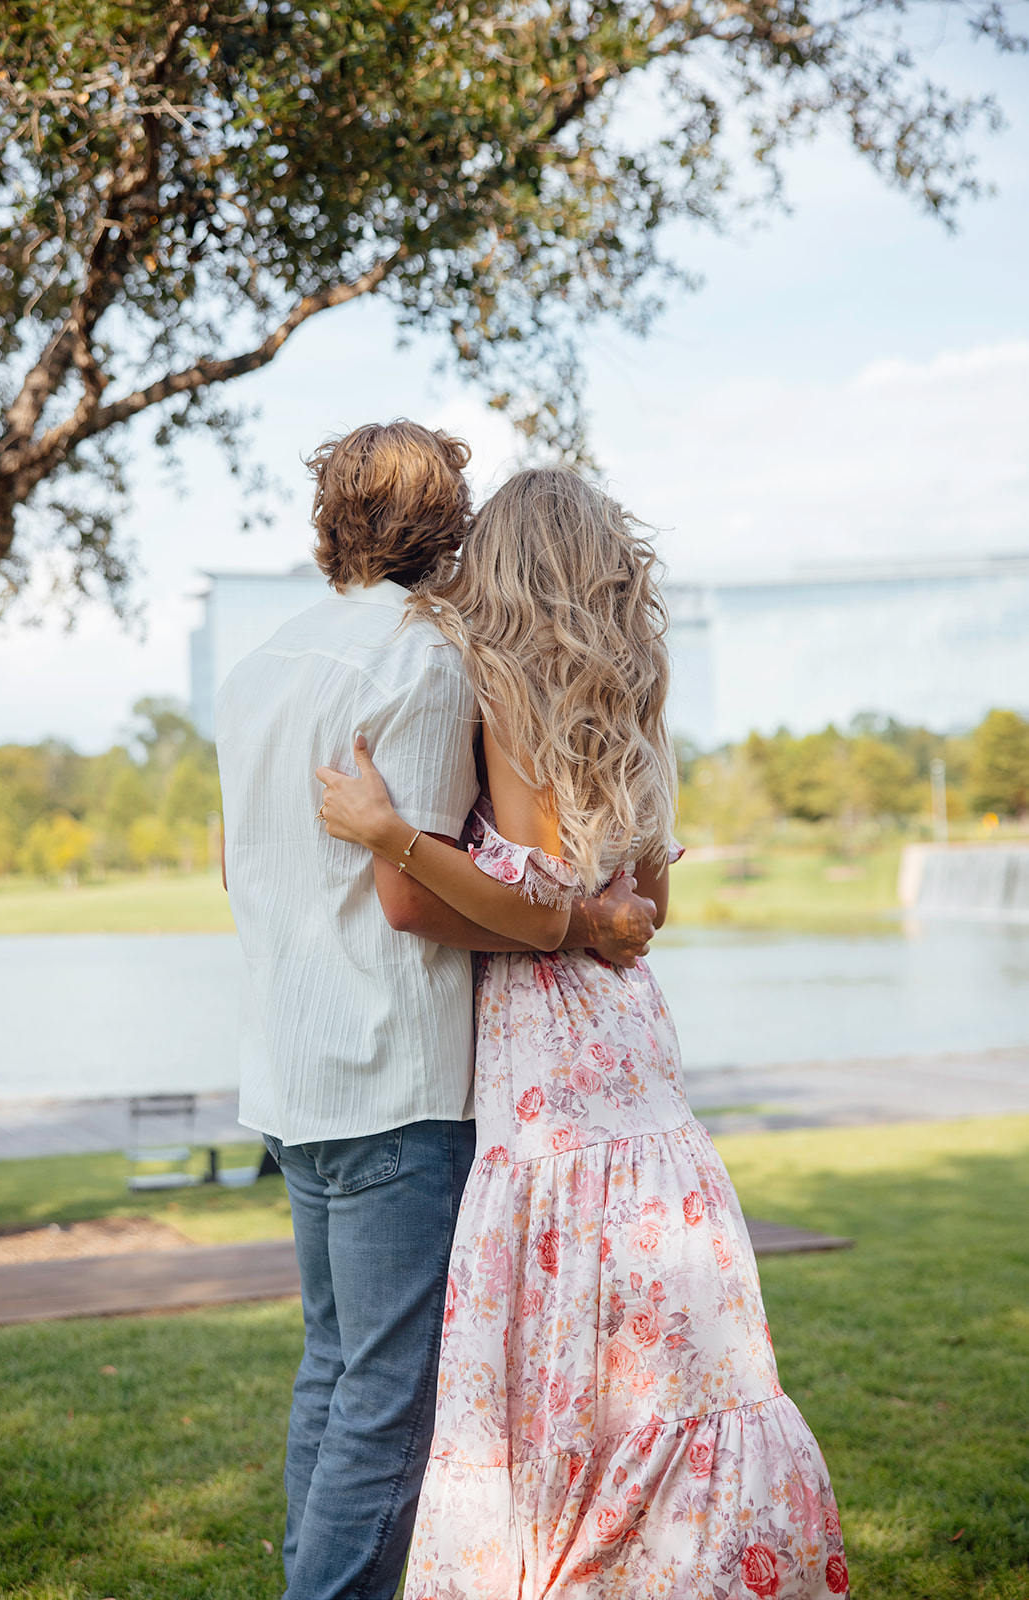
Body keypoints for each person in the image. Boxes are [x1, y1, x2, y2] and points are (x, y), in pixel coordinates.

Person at [315, 466, 851, 1600]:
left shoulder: (503, 698)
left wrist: (394, 835)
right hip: (640, 1063)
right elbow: (648, 905)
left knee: (567, 1343)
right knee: (664, 1351)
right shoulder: (635, 700)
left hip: (551, 1065)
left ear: (505, 567)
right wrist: (607, 917)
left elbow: (532, 904)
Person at [215, 423, 662, 1600]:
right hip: (391, 1074)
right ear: (451, 522)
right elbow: (412, 897)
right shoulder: (428, 660)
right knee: (389, 1397)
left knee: (332, 1370)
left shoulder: (257, 662)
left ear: (330, 522)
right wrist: (584, 927)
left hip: (287, 1071)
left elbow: (234, 868)